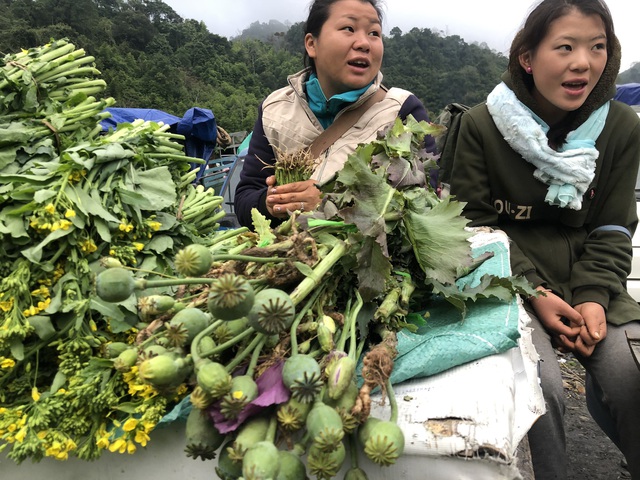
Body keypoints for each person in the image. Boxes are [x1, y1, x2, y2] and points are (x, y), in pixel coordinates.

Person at [447, 0, 640, 478]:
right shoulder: (480, 126)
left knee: (630, 373)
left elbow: (615, 226)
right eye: (566, 47)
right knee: (537, 388)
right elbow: (471, 229)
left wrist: (595, 297)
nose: (583, 62)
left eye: (598, 48)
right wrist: (535, 292)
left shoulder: (620, 127)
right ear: (528, 59)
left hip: (592, 281)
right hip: (509, 281)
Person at [234, 0, 436, 228]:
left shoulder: (402, 111)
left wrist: (327, 203)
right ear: (312, 44)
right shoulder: (275, 109)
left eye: (374, 33)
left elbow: (423, 205)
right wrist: (272, 204)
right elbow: (245, 198)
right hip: (288, 258)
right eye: (349, 28)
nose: (364, 43)